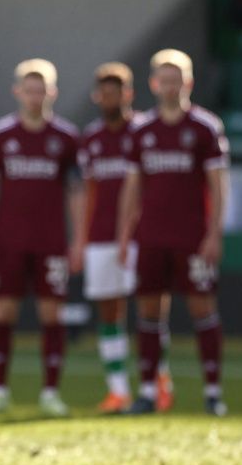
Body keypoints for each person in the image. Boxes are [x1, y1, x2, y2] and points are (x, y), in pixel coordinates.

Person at [117, 49, 231, 416]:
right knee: (149, 311)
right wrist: (124, 235)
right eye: (163, 80)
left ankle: (213, 392)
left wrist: (214, 234)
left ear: (189, 83)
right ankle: (149, 391)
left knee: (203, 310)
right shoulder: (141, 130)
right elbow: (132, 187)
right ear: (153, 84)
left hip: (192, 236)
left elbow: (218, 185)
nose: (169, 86)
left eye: (176, 79)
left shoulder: (205, 128)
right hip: (151, 235)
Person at [0, 60, 83, 417]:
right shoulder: (1, 135)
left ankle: (51, 391)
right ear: (17, 92)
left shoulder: (65, 138)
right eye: (29, 89)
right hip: (9, 240)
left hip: (50, 240)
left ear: (52, 93)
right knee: (3, 312)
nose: (35, 96)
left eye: (42, 89)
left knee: (52, 314)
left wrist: (78, 239)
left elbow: (76, 192)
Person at [72, 63, 173, 413]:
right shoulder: (92, 138)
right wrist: (81, 239)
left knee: (149, 310)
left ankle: (158, 380)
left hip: (141, 235)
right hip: (101, 235)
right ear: (97, 97)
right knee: (109, 311)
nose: (109, 98)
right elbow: (88, 191)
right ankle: (118, 390)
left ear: (129, 94)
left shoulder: (145, 131)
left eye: (116, 92)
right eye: (104, 92)